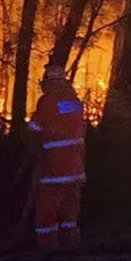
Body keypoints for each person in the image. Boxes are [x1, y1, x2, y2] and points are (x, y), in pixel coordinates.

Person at [27, 62, 86, 250]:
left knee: (47, 215)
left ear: (49, 81)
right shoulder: (74, 102)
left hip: (54, 170)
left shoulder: (48, 102)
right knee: (69, 217)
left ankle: (48, 252)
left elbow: (35, 128)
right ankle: (72, 250)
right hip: (75, 171)